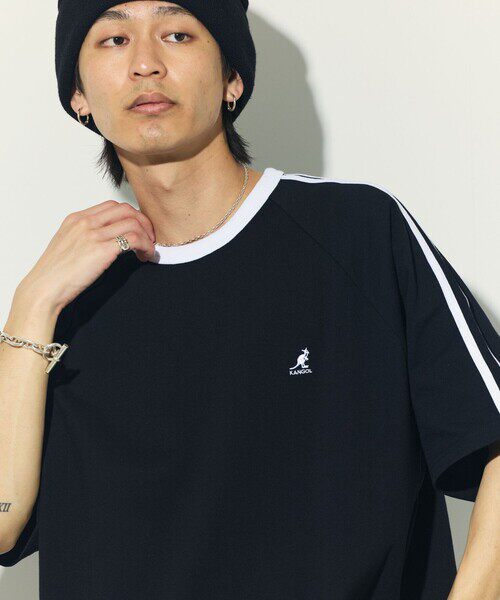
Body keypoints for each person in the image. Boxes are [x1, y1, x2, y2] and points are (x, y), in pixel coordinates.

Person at [0, 1, 499, 598]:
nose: (145, 63)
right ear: (78, 95)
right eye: (112, 40)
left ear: (232, 78)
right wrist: (31, 304)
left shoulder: (357, 232)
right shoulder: (66, 302)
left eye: (177, 34)